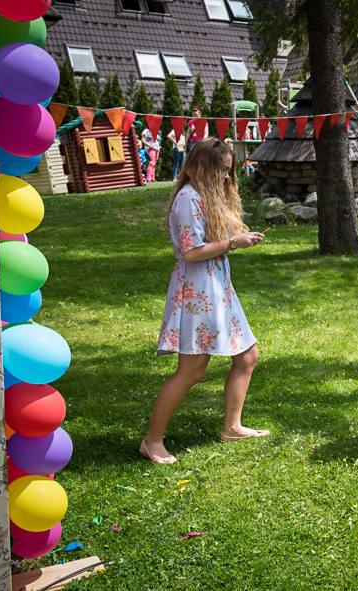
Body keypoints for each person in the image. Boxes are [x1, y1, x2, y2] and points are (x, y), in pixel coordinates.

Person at [141, 138, 269, 464]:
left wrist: (234, 239)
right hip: (198, 293)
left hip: (217, 288)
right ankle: (152, 441)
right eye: (222, 171)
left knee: (247, 356)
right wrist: (234, 242)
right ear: (204, 168)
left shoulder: (203, 196)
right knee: (191, 371)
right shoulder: (188, 198)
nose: (227, 177)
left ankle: (232, 427)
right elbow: (191, 252)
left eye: (229, 171)